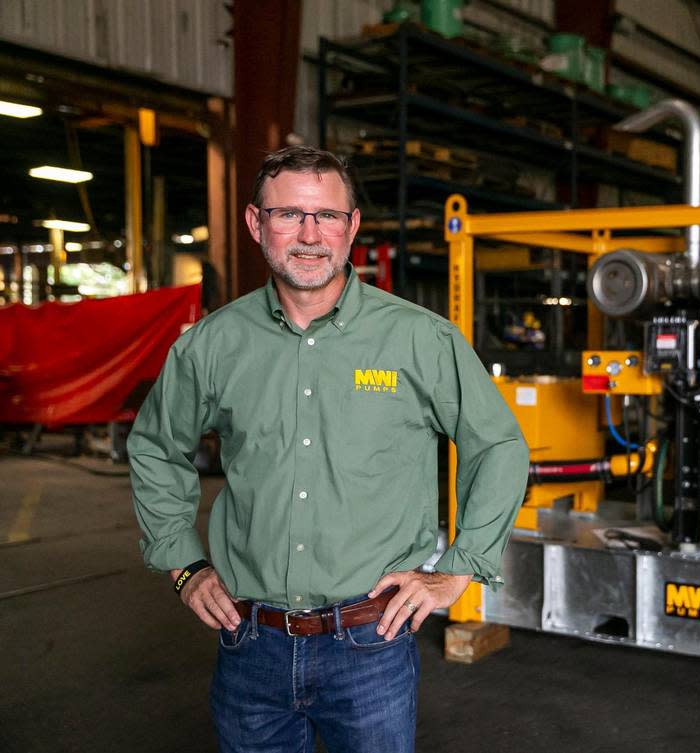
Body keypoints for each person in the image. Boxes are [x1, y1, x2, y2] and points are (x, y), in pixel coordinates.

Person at [129, 145, 529, 752]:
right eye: (289, 214)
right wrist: (183, 563)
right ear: (255, 223)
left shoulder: (418, 339)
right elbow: (157, 447)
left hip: (369, 644)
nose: (310, 235)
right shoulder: (212, 346)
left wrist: (459, 569)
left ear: (353, 226)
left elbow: (497, 444)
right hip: (250, 643)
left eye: (328, 216)